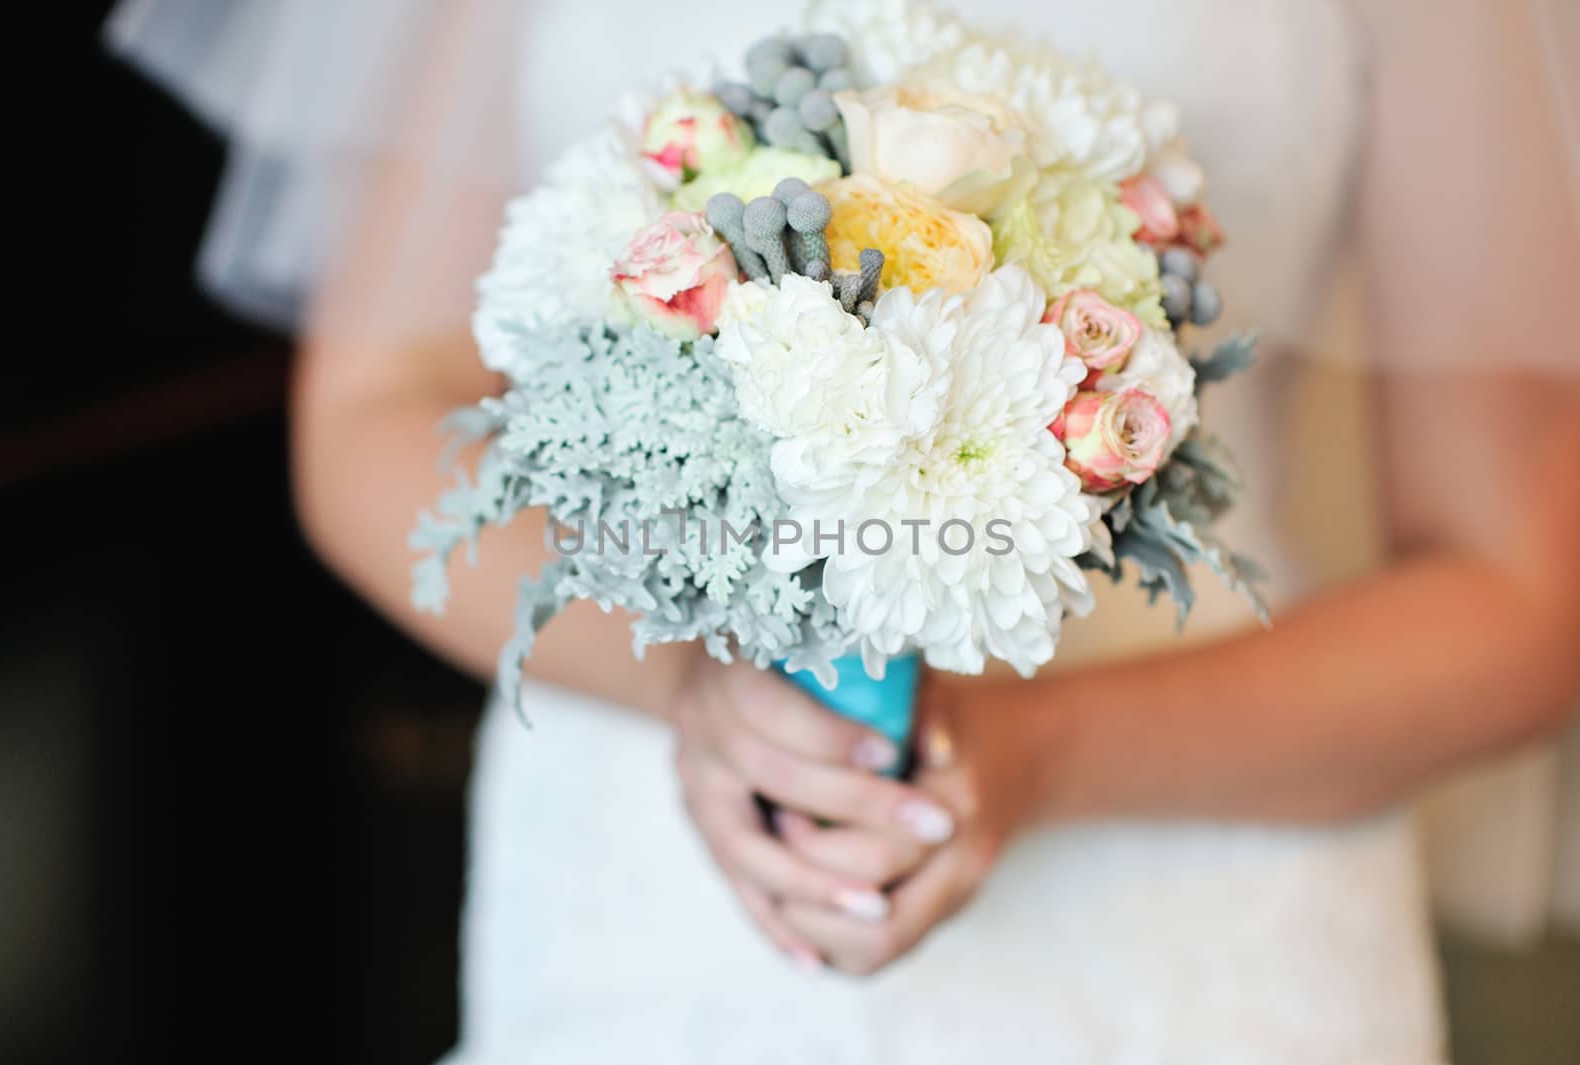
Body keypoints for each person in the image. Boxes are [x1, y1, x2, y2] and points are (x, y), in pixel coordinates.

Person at [111, 0, 1580, 1060]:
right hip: (658, 912)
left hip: (1210, 908)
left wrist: (1032, 753)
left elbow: (1518, 588)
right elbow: (372, 413)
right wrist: (695, 690)